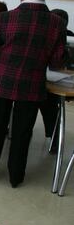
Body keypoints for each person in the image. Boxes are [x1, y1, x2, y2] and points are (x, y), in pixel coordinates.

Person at [0, 0, 66, 188]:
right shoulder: (56, 23)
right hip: (32, 85)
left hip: (1, 82)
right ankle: (15, 176)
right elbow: (57, 61)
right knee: (22, 133)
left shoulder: (7, 18)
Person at [39, 8, 72, 145]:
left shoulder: (69, 38)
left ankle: (54, 138)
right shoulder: (41, 35)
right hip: (43, 79)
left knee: (49, 103)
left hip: (59, 82)